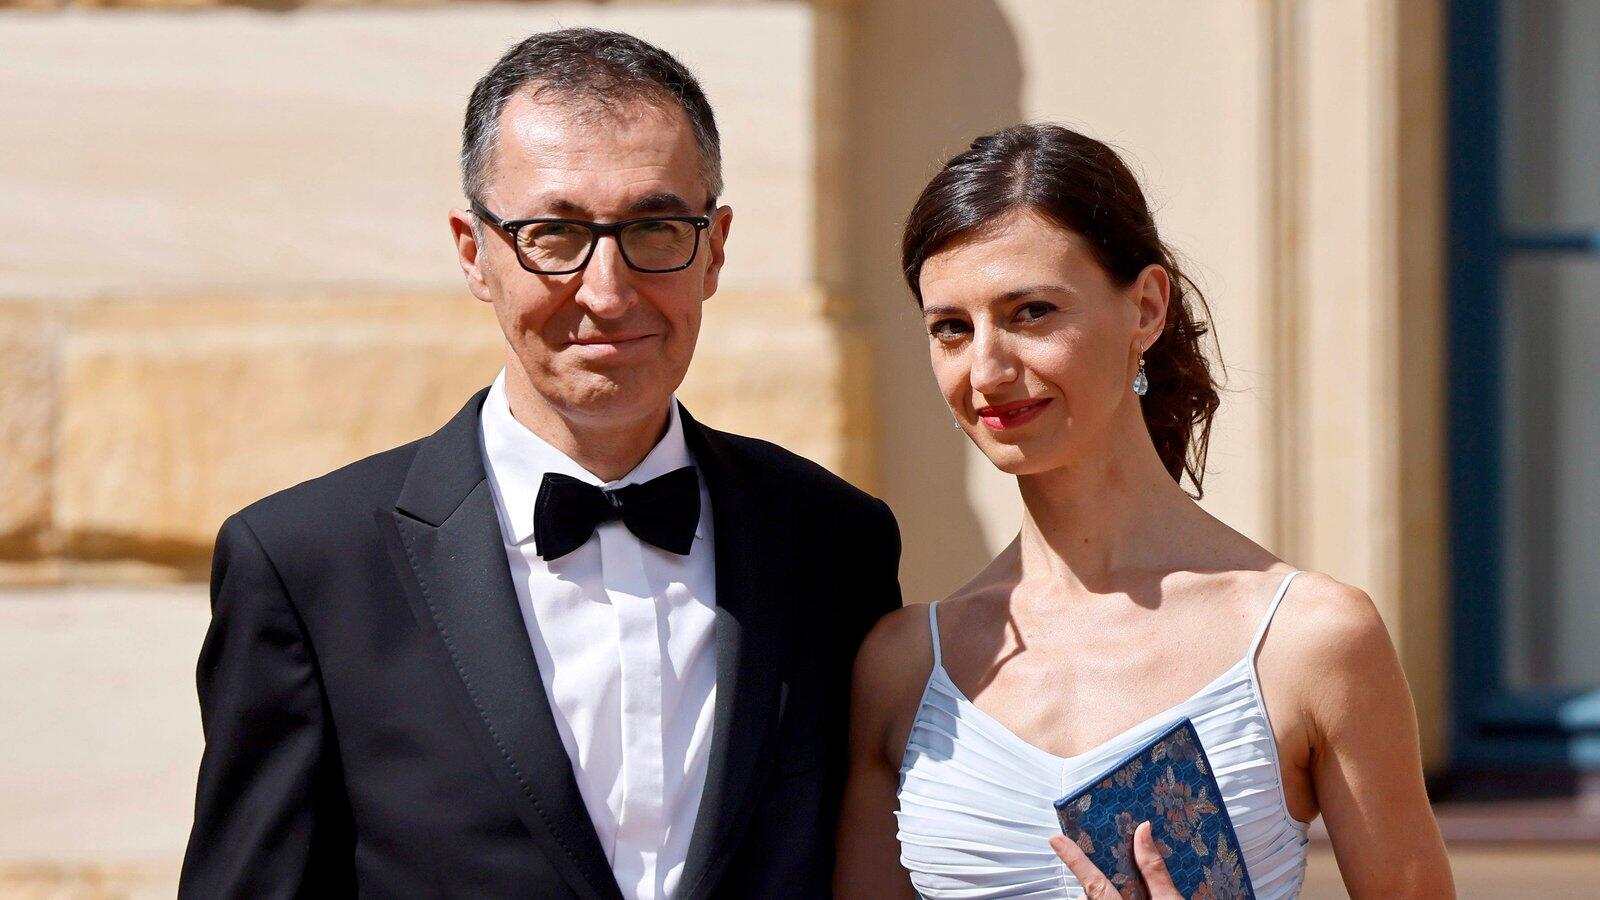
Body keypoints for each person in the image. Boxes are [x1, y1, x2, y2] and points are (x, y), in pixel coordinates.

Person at [180, 28, 901, 899]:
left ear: (714, 247)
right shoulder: (306, 565)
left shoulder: (836, 541)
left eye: (655, 228)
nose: (607, 291)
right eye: (554, 235)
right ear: (473, 251)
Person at [834, 124, 1453, 898]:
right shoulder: (903, 666)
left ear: (1147, 309)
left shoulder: (1310, 640)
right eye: (951, 329)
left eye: (1031, 312)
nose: (985, 371)